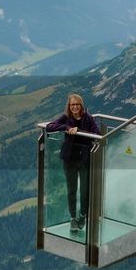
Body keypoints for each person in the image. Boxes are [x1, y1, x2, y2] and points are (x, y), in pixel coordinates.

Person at [43, 93, 101, 232]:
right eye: (72, 104)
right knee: (72, 189)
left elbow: (97, 135)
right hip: (69, 159)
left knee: (85, 189)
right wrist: (66, 128)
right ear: (69, 106)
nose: (74, 107)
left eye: (77, 104)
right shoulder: (66, 118)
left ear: (81, 105)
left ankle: (83, 215)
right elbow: (49, 127)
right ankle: (73, 218)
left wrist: (79, 131)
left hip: (84, 159)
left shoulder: (89, 119)